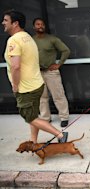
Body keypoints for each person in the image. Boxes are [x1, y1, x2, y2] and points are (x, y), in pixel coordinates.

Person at [2, 10, 68, 143]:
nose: (3, 22)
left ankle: (60, 135)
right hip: (36, 83)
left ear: (15, 23)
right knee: (35, 115)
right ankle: (33, 142)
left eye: (5, 20)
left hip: (26, 88)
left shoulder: (13, 40)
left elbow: (15, 66)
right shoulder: (27, 37)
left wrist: (15, 86)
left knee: (30, 117)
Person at [32, 18, 70, 127]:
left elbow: (66, 51)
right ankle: (45, 118)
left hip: (51, 72)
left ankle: (64, 117)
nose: (40, 26)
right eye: (38, 24)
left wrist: (59, 64)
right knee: (41, 97)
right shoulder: (31, 40)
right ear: (34, 27)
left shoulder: (52, 39)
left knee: (58, 95)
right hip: (37, 73)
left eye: (42, 24)